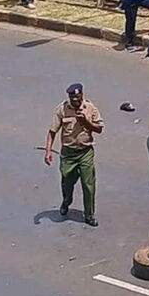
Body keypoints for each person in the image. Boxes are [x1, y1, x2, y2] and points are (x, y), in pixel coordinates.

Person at [44, 83, 104, 228]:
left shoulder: (90, 108)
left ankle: (89, 215)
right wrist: (48, 151)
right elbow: (52, 132)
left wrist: (86, 121)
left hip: (85, 152)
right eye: (72, 98)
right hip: (68, 154)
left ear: (82, 95)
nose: (75, 100)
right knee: (67, 182)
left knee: (88, 185)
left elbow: (99, 129)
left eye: (77, 97)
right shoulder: (62, 109)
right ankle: (66, 201)